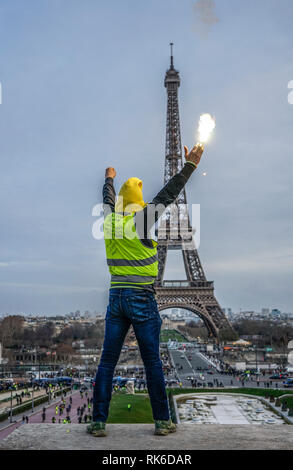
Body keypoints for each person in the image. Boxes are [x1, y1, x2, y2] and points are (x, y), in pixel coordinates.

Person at [87, 144, 204, 437]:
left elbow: (107, 200)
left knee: (107, 362)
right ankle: (162, 420)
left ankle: (98, 420)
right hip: (141, 296)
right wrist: (189, 166)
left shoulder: (111, 221)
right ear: (139, 205)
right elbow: (168, 194)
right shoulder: (142, 221)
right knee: (152, 361)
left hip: (117, 298)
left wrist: (109, 180)